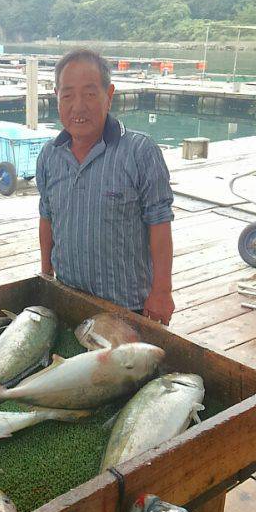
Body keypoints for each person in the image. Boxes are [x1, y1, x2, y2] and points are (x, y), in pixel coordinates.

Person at [35, 48, 174, 325]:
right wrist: (46, 275)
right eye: (68, 95)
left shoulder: (140, 152)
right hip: (68, 299)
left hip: (128, 307)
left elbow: (160, 223)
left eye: (89, 94)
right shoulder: (49, 155)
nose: (78, 106)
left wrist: (162, 292)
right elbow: (47, 217)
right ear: (57, 98)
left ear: (109, 96)